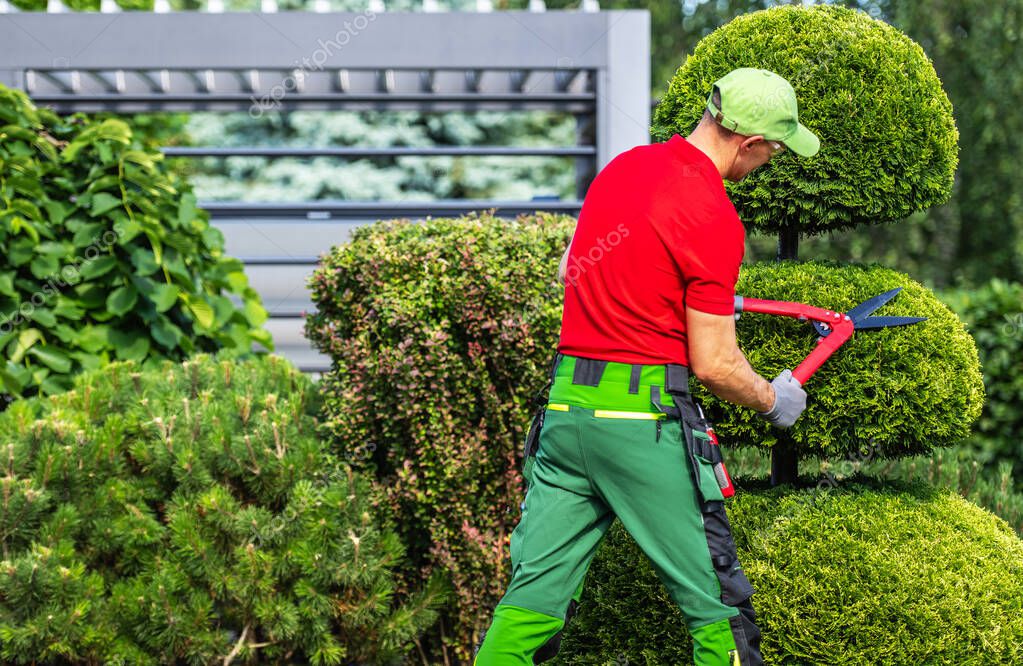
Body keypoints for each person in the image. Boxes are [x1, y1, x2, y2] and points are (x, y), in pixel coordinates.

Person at [473, 68, 820, 666]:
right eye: (776, 150)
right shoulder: (713, 214)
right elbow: (714, 364)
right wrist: (773, 398)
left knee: (531, 605)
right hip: (642, 423)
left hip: (565, 416)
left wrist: (657, 287)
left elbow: (570, 271)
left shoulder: (623, 169)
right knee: (719, 608)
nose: (771, 163)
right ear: (749, 143)